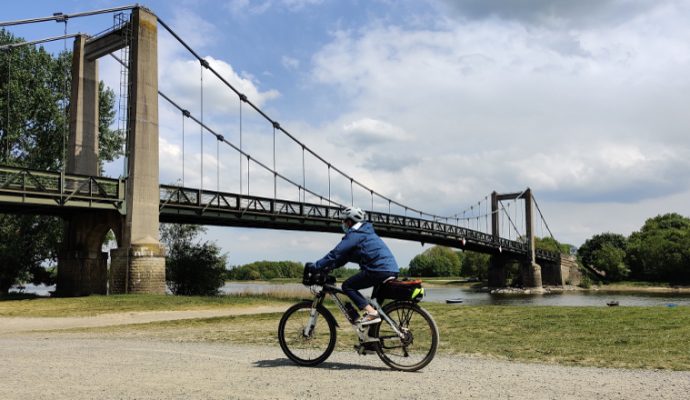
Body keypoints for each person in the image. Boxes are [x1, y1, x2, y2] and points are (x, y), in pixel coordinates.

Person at [313, 206, 399, 325]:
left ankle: (371, 313)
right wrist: (329, 267)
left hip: (378, 269)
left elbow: (336, 252)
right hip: (389, 269)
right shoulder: (365, 232)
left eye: (343, 221)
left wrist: (316, 266)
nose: (342, 224)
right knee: (375, 305)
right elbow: (343, 257)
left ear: (349, 221)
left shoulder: (356, 234)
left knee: (348, 286)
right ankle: (372, 339)